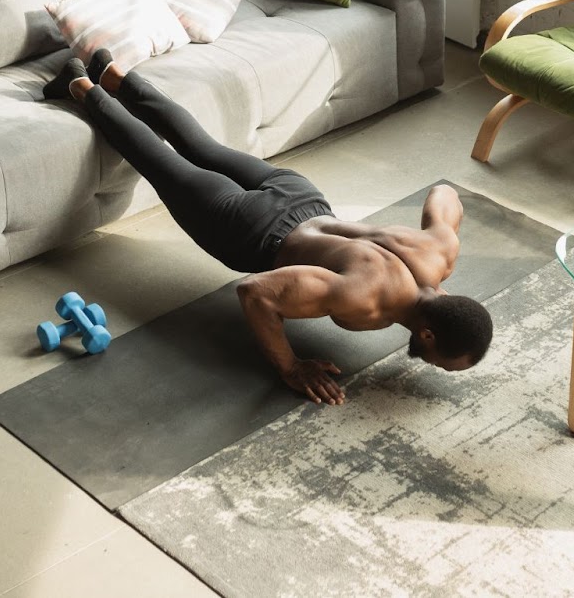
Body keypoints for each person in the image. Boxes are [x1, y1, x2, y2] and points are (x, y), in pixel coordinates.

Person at [46, 52, 494, 404]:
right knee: (160, 161)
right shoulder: (365, 298)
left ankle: (114, 74)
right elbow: (256, 292)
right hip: (248, 229)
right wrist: (291, 367)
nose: (436, 366)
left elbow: (444, 195)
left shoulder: (439, 252)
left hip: (303, 198)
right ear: (428, 335)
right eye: (443, 364)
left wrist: (437, 229)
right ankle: (80, 83)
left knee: (200, 145)